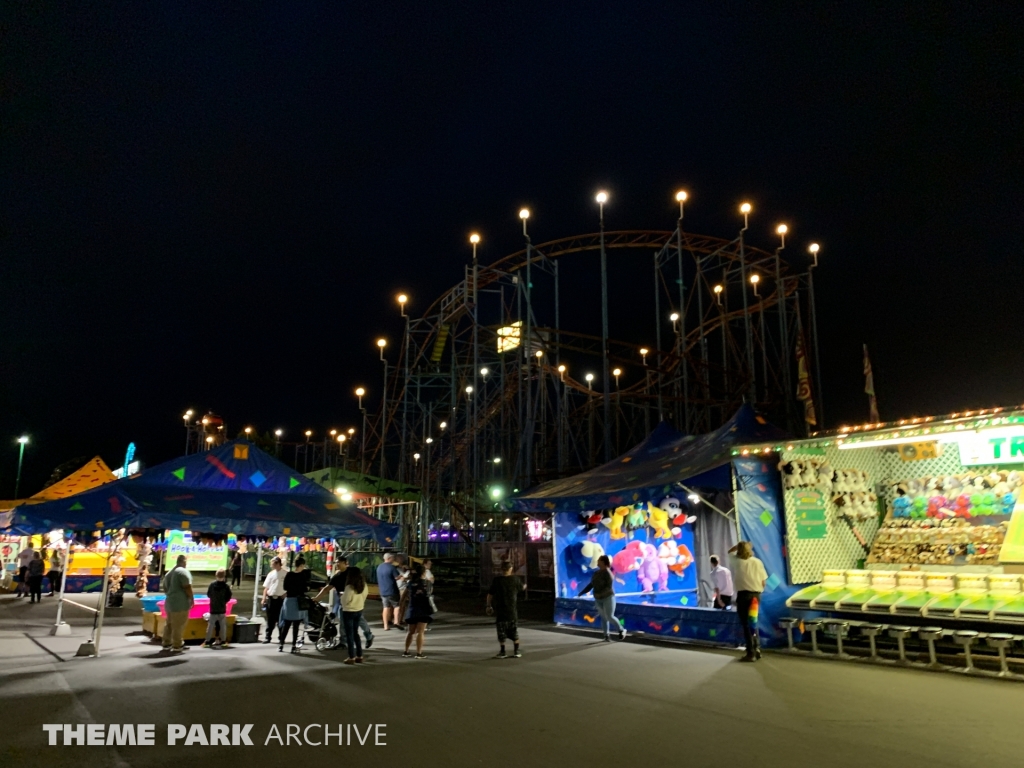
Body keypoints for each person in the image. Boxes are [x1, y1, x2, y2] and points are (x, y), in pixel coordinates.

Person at [313, 557, 374, 649]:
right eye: (337, 563)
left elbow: (362, 586)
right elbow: (327, 588)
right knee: (342, 620)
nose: (337, 564)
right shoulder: (337, 577)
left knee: (360, 620)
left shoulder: (353, 573)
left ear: (346, 563)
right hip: (343, 602)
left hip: (355, 601)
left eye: (340, 562)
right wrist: (317, 598)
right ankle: (343, 642)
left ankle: (368, 635)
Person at [729, 541, 768, 662]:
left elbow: (730, 552)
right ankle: (757, 649)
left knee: (746, 625)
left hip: (743, 596)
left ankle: (750, 653)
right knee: (753, 623)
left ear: (739, 551)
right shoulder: (758, 562)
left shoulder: (737, 561)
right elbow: (763, 582)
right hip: (756, 596)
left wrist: (738, 546)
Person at [578, 555, 624, 642]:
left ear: (603, 562)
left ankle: (621, 630)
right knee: (604, 617)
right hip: (598, 599)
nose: (597, 562)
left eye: (599, 560)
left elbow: (608, 586)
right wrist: (582, 592)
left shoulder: (608, 573)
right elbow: (591, 585)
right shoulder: (596, 573)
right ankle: (606, 635)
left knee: (609, 616)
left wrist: (601, 593)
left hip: (608, 597)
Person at [486, 560, 524, 658]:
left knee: (501, 632)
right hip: (512, 611)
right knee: (514, 631)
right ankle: (517, 650)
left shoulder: (497, 580)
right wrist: (524, 586)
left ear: (502, 569)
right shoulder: (515, 579)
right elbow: (521, 588)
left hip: (501, 611)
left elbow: (490, 594)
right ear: (511, 569)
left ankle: (503, 651)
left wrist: (488, 605)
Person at [161, 555, 194, 653]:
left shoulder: (169, 573)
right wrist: (192, 598)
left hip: (170, 603)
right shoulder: (182, 572)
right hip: (180, 603)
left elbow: (165, 588)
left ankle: (166, 643)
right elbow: (187, 586)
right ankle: (177, 645)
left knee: (169, 624)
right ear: (184, 562)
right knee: (179, 625)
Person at [402, 563, 434, 659]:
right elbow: (430, 593)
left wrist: (401, 609)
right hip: (423, 609)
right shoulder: (427, 583)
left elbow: (403, 597)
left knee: (410, 632)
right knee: (420, 632)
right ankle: (419, 653)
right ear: (424, 572)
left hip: (412, 608)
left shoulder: (410, 583)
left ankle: (406, 651)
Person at [279, 556, 310, 653]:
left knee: (287, 623)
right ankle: (293, 646)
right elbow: (305, 589)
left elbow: (285, 587)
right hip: (298, 601)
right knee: (296, 625)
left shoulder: (289, 574)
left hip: (289, 601)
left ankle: (281, 645)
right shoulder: (303, 576)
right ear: (301, 565)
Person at [341, 566, 369, 664]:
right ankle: (359, 655)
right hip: (359, 610)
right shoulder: (364, 585)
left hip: (348, 611)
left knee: (349, 635)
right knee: (355, 632)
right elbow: (365, 596)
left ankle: (351, 656)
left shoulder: (349, 587)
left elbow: (345, 600)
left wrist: (342, 598)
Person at [202, 568, 233, 648]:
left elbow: (208, 594)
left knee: (210, 625)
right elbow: (229, 596)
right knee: (223, 626)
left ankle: (207, 641)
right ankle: (223, 641)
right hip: (222, 609)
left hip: (213, 608)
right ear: (224, 576)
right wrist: (224, 601)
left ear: (216, 575)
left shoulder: (212, 585)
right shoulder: (226, 586)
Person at [261, 557, 287, 644]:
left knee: (280, 618)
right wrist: (264, 598)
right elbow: (266, 588)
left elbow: (290, 587)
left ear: (278, 563)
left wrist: (286, 594)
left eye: (272, 563)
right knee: (270, 619)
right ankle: (268, 637)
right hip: (271, 599)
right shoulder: (270, 574)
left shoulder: (285, 574)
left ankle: (281, 637)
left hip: (281, 599)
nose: (271, 565)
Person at [375, 553, 402, 630]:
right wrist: (402, 576)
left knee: (385, 607)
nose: (393, 559)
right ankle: (396, 621)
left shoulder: (379, 567)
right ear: (389, 558)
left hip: (382, 590)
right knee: (396, 606)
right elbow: (397, 577)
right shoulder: (392, 567)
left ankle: (385, 626)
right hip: (392, 590)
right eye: (393, 558)